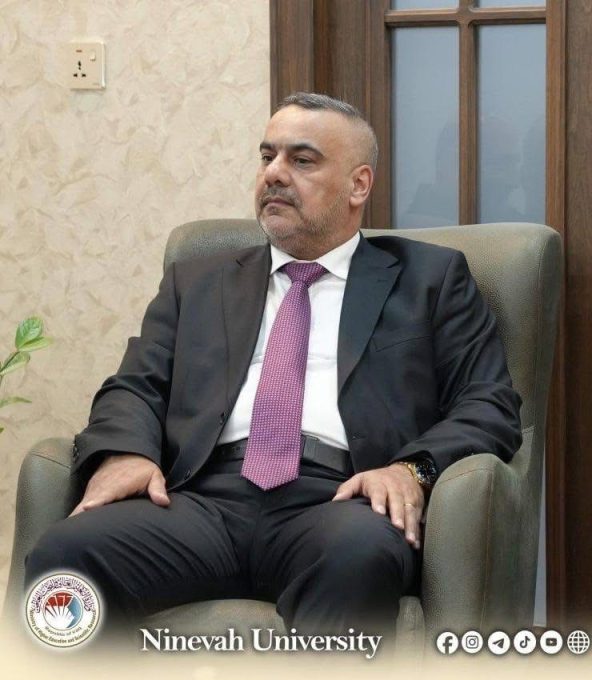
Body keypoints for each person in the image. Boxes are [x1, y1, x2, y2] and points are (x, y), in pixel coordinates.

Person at [23, 92, 522, 640]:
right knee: (65, 556)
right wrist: (127, 451)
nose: (275, 174)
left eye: (302, 160)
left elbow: (489, 403)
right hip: (200, 500)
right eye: (267, 156)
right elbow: (135, 386)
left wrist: (410, 470)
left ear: (358, 185)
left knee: (358, 555)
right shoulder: (199, 280)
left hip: (338, 501)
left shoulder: (430, 279)